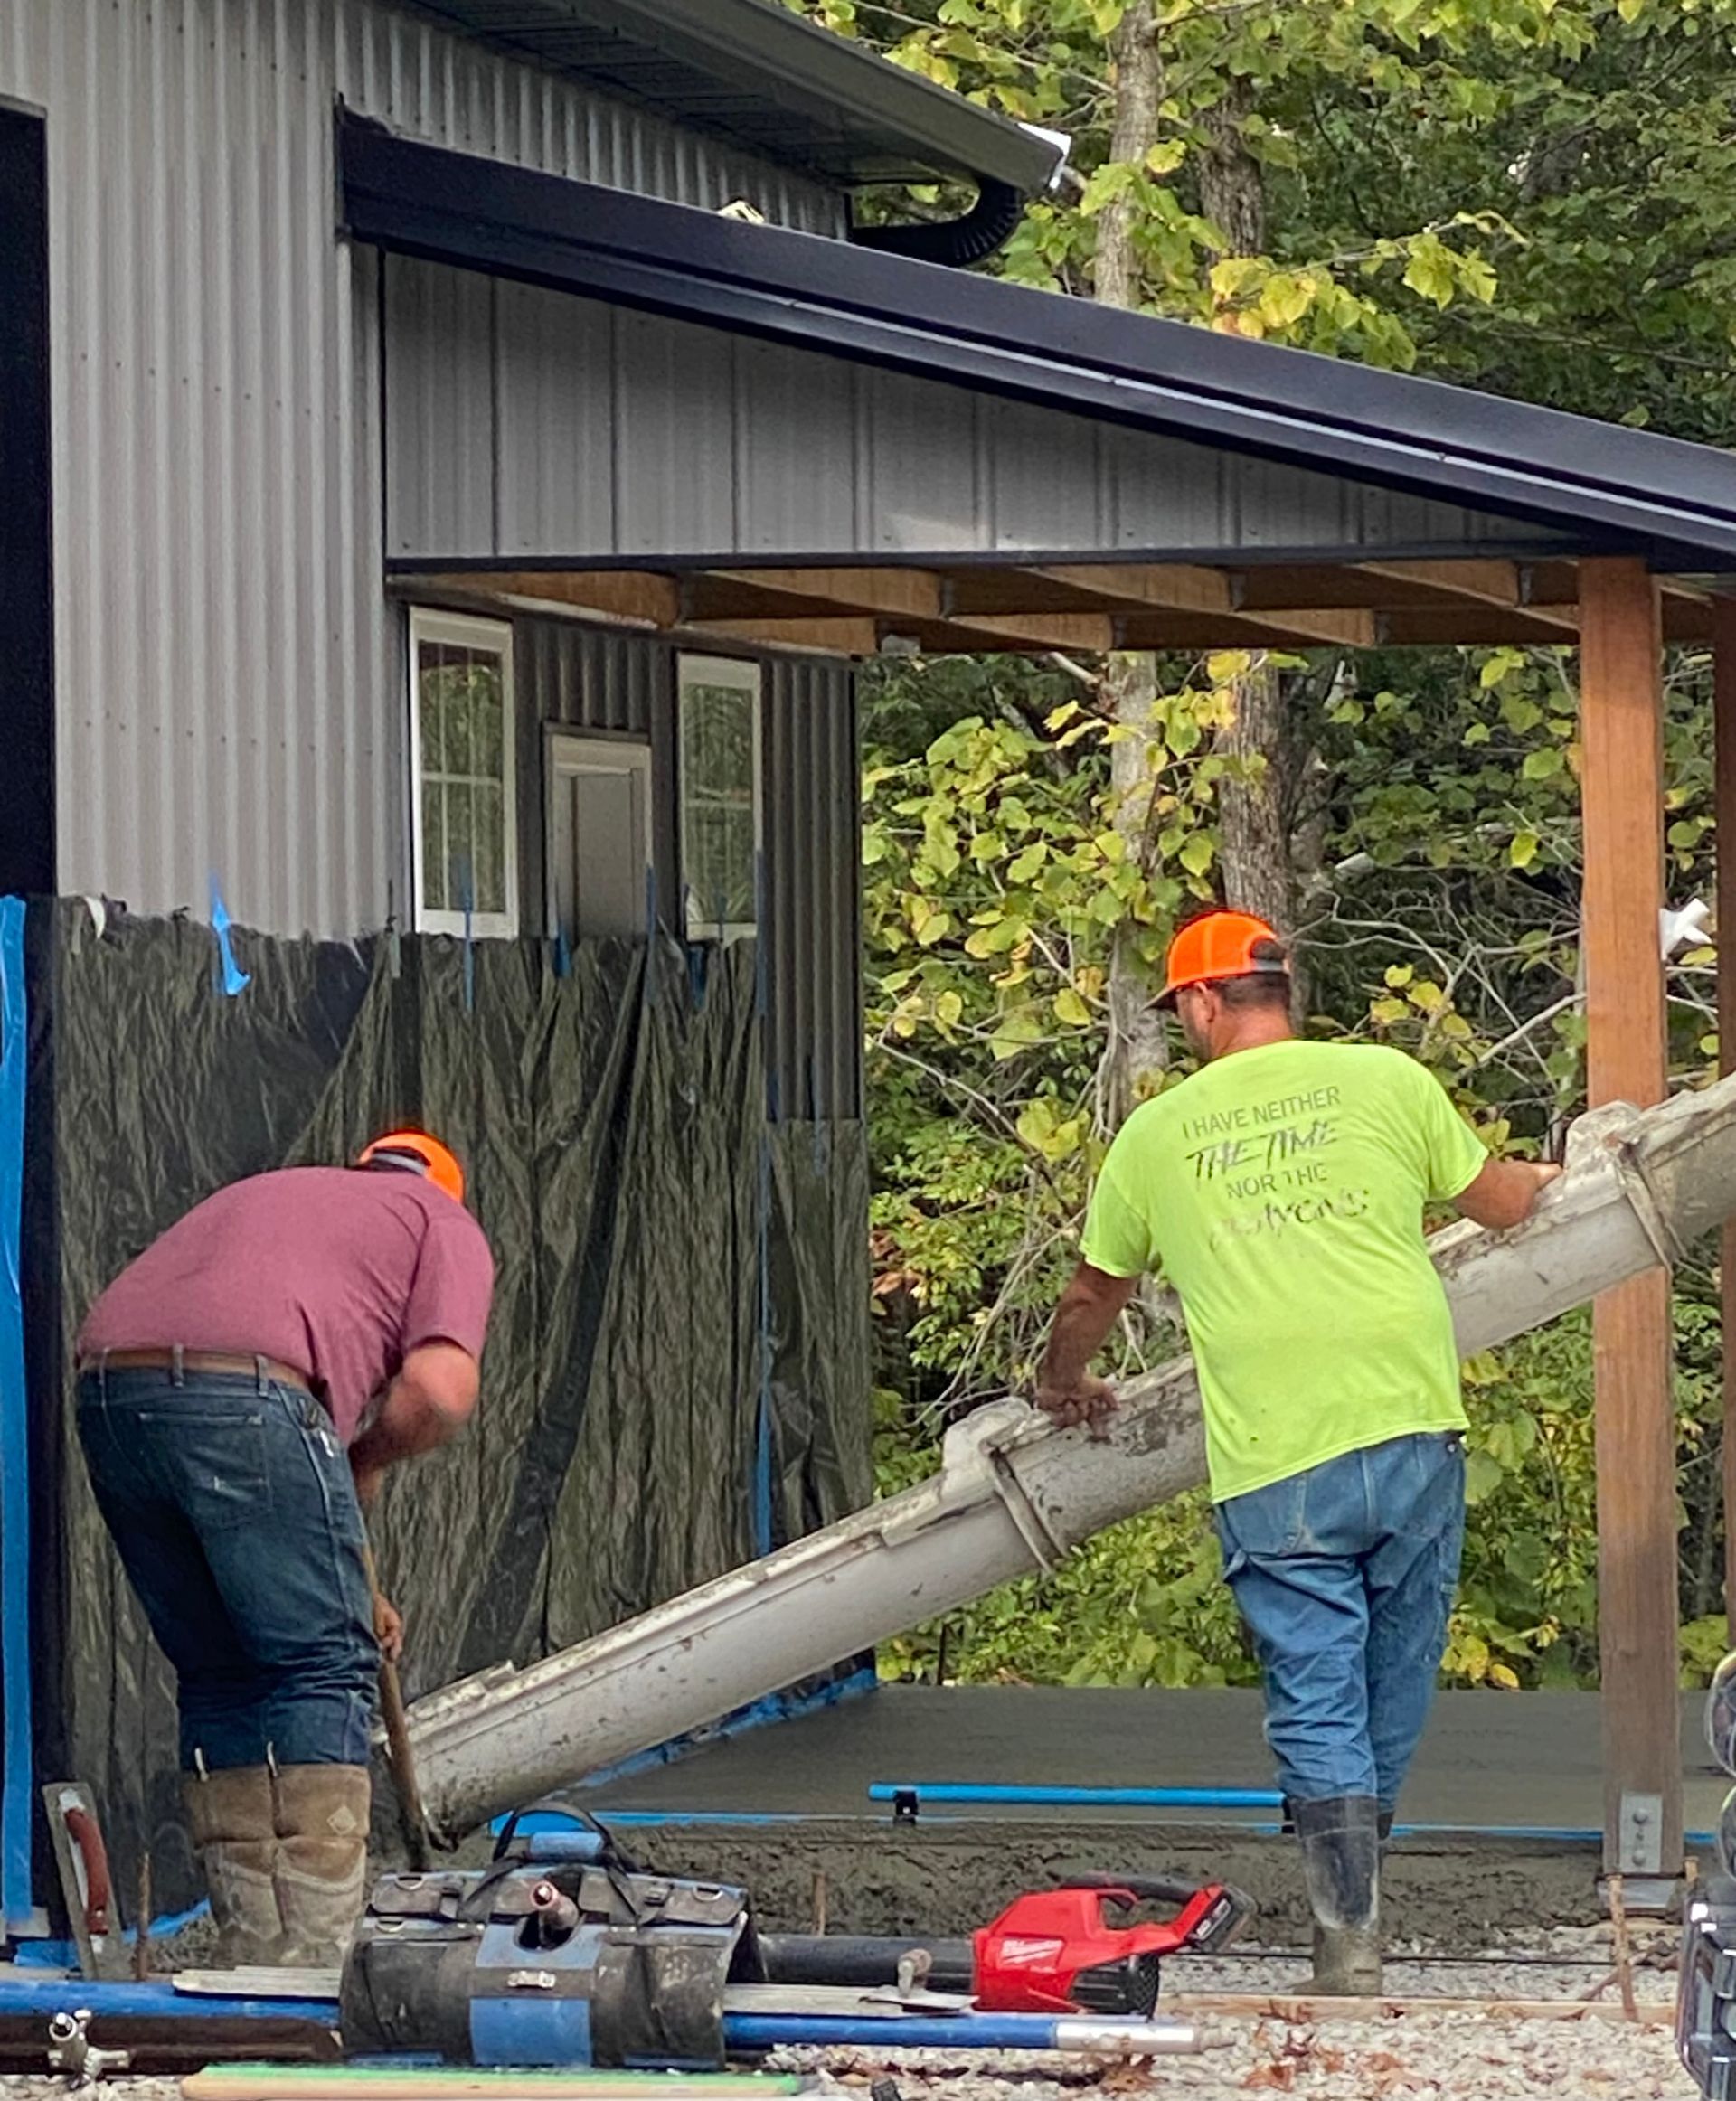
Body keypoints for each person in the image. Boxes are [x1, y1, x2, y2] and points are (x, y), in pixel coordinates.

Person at [1033, 910, 1559, 1995]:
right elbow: (1503, 1202)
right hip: (1412, 1428)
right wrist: (1561, 1173)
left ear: (1202, 1002)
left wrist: (1061, 1385)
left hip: (1278, 1459)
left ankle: (1349, 1942)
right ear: (1281, 991)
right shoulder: (1385, 1082)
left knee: (1320, 1696)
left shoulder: (1160, 1134)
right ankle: (1361, 1906)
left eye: (1179, 1005)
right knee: (1392, 1685)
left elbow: (1093, 1291)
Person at [74, 1128, 495, 1968]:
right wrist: (367, 1457)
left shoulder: (286, 1197)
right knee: (323, 1668)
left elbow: (272, 1542)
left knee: (224, 1669)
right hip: (248, 1388)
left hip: (112, 1394)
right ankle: (316, 1967)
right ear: (446, 1187)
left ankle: (250, 1955)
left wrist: (349, 1590)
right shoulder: (438, 1221)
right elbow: (440, 1390)